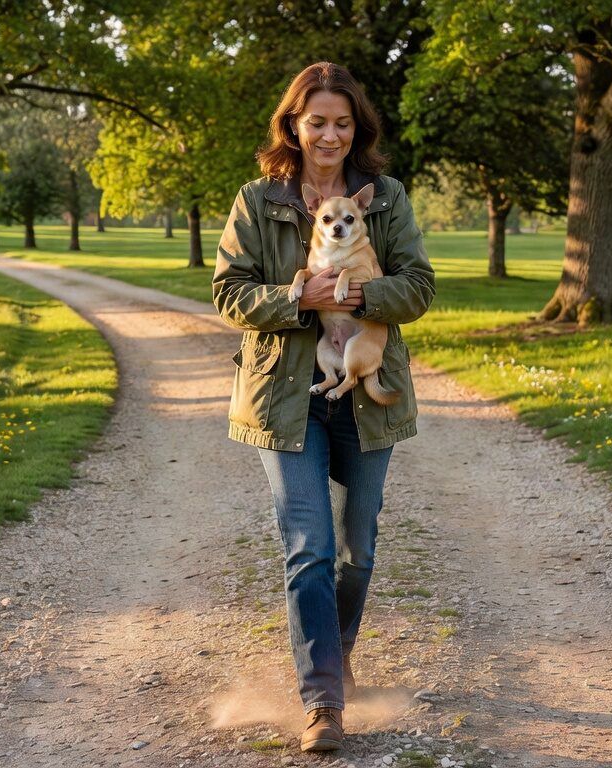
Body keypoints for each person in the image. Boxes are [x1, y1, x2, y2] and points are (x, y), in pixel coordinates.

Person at [211, 61, 434, 752]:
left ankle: (333, 658)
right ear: (294, 125)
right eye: (317, 122)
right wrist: (295, 298)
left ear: (355, 127)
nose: (329, 134)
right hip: (286, 398)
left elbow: (418, 287)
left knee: (355, 553)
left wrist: (358, 297)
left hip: (363, 396)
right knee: (306, 549)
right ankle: (322, 701)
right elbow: (228, 292)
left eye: (342, 122)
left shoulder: (385, 197)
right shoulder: (258, 199)